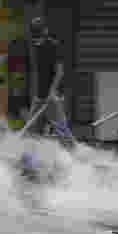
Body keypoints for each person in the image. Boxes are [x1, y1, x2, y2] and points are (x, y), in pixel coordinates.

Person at [21, 18, 75, 146]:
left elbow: (60, 72)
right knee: (31, 127)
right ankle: (30, 155)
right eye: (34, 37)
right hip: (40, 95)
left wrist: (52, 91)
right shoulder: (36, 46)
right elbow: (39, 72)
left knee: (61, 130)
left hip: (53, 95)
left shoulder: (54, 46)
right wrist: (37, 93)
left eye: (38, 37)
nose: (36, 40)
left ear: (45, 32)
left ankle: (75, 154)